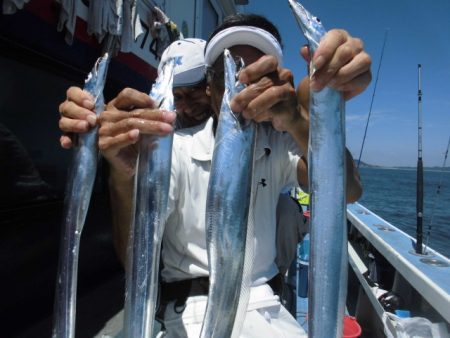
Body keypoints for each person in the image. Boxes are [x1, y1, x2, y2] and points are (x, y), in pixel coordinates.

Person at [59, 13, 371, 337]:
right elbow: (132, 257)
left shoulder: (281, 145)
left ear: (280, 82)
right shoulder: (175, 149)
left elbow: (348, 191)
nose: (243, 91)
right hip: (188, 307)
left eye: (258, 76)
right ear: (209, 87)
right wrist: (122, 176)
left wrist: (298, 119)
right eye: (229, 75)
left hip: (264, 305)